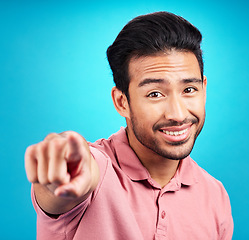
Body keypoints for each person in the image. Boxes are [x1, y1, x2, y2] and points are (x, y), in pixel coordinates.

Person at [25, 11, 234, 240]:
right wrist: (65, 167)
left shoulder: (216, 195)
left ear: (203, 89)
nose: (178, 114)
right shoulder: (98, 169)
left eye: (189, 90)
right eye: (155, 94)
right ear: (121, 102)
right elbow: (76, 174)